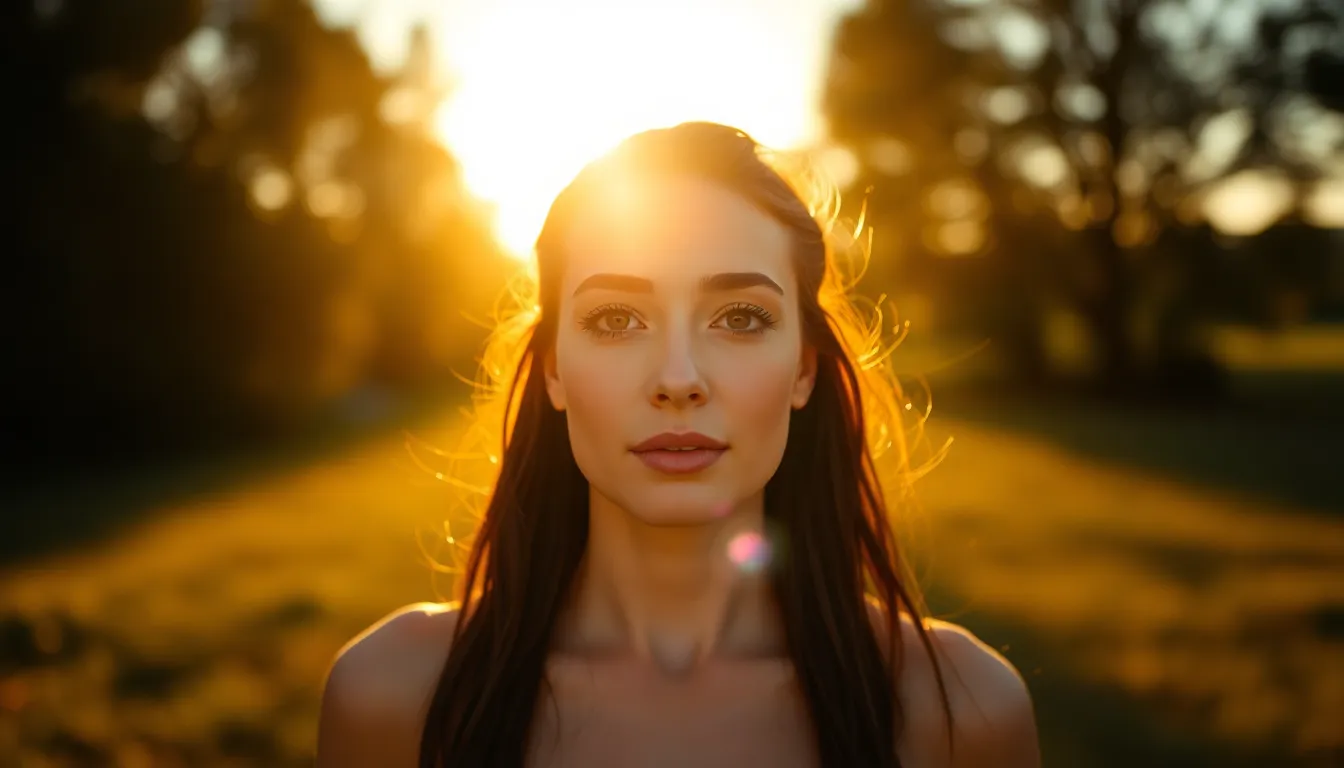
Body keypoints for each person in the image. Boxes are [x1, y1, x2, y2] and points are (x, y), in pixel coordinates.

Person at [315, 122, 1041, 767]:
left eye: (740, 317)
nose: (678, 379)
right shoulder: (393, 699)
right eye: (617, 320)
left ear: (803, 368)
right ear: (555, 371)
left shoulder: (961, 714)